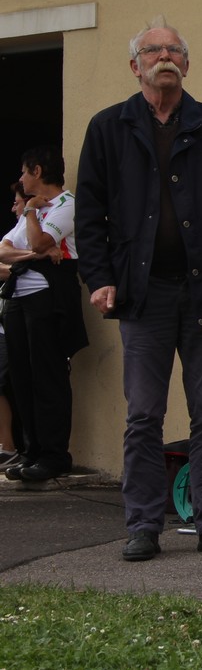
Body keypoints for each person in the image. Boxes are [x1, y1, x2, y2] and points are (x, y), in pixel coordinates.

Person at [76, 16, 202, 562]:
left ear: (186, 62)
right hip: (142, 295)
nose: (165, 56)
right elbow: (89, 214)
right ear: (133, 65)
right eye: (153, 49)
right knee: (143, 414)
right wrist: (101, 275)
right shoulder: (108, 129)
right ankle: (141, 525)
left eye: (174, 49)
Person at [0, 147, 87, 482]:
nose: (21, 179)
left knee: (47, 375)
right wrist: (31, 253)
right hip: (19, 299)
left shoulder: (66, 204)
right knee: (21, 377)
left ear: (37, 171)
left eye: (24, 172)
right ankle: (31, 450)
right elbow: (6, 249)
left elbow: (40, 243)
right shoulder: (30, 210)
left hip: (48, 297)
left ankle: (54, 454)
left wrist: (33, 219)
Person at [0, 183, 31, 468]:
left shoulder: (31, 225)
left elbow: (7, 267)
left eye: (17, 201)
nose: (14, 207)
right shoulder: (16, 231)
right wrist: (33, 259)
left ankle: (8, 448)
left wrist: (17, 263)